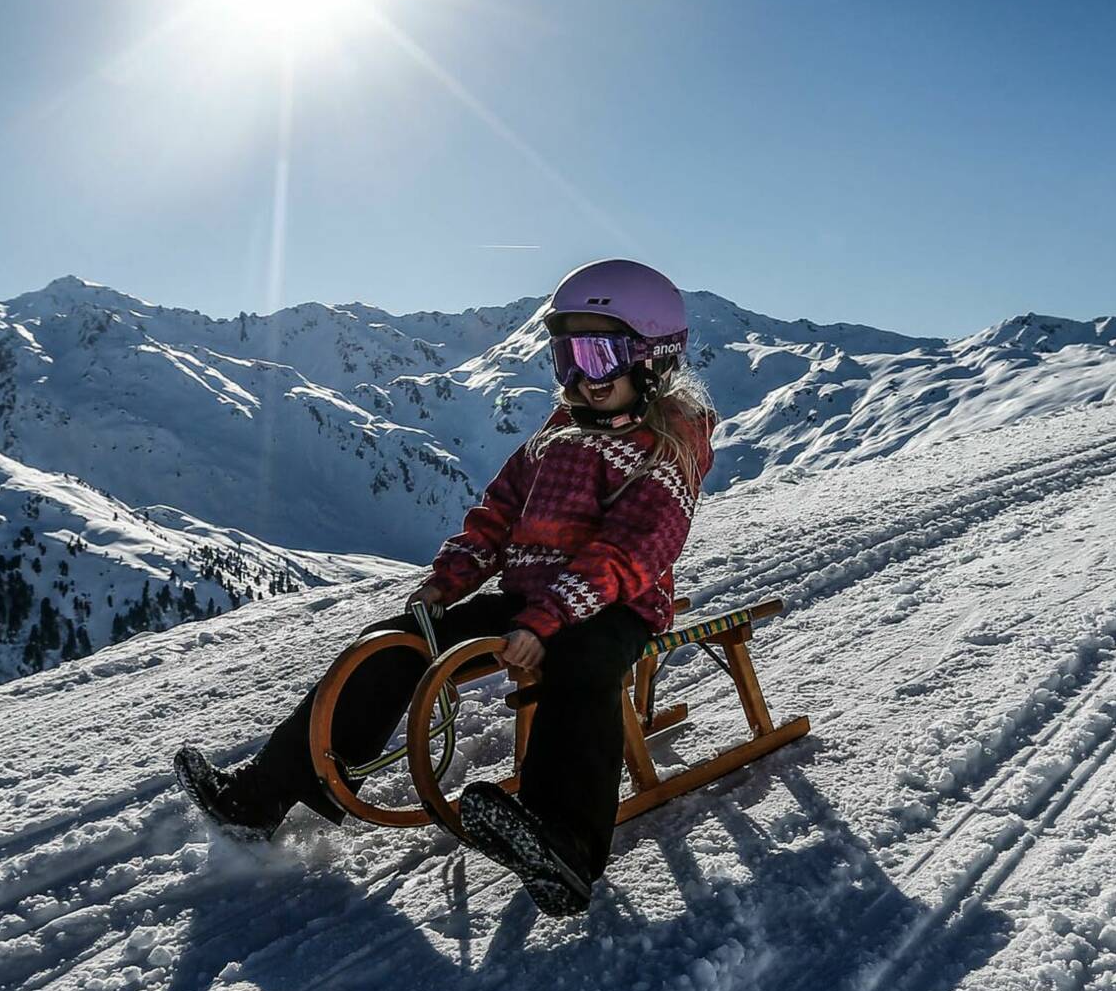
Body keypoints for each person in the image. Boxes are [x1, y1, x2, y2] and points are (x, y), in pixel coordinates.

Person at [174, 258, 717, 917]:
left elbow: (628, 553)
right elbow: (497, 516)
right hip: (531, 602)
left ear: (655, 358)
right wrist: (447, 583)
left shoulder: (667, 449)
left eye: (599, 355)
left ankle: (565, 842)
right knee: (393, 643)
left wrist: (546, 620)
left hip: (613, 608)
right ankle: (262, 794)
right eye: (565, 357)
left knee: (580, 666)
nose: (580, 376)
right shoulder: (558, 432)